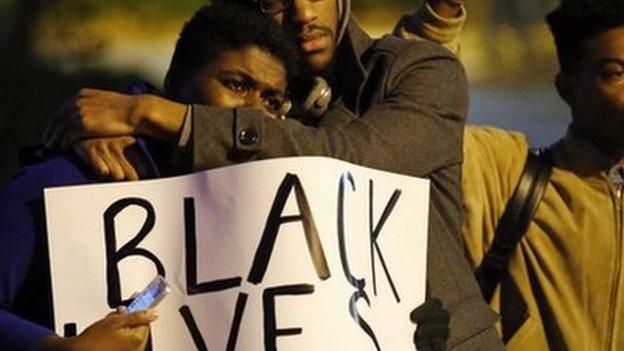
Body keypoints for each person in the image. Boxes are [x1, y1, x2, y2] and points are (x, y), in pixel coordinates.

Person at [44, 1, 505, 348]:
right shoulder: (238, 98)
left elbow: (349, 156)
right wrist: (108, 130)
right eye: (277, 0)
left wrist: (151, 114)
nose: (303, 13)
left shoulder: (417, 70)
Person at [0, 4, 299, 351]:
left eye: (272, 101)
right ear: (174, 83)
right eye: (236, 85)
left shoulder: (277, 217)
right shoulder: (73, 177)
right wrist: (58, 348)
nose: (254, 114)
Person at [397, 0, 624, 349]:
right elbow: (414, 114)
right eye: (615, 74)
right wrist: (440, 15)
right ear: (567, 88)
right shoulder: (507, 177)